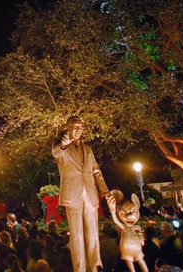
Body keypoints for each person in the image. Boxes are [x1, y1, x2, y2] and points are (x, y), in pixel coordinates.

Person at [51, 116, 111, 272]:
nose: (78, 130)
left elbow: (96, 171)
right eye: (75, 126)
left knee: (93, 234)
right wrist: (64, 145)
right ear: (68, 128)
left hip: (90, 195)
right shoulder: (62, 146)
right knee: (77, 236)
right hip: (73, 196)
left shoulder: (88, 149)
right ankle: (80, 269)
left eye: (80, 127)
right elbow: (56, 152)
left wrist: (105, 190)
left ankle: (96, 267)